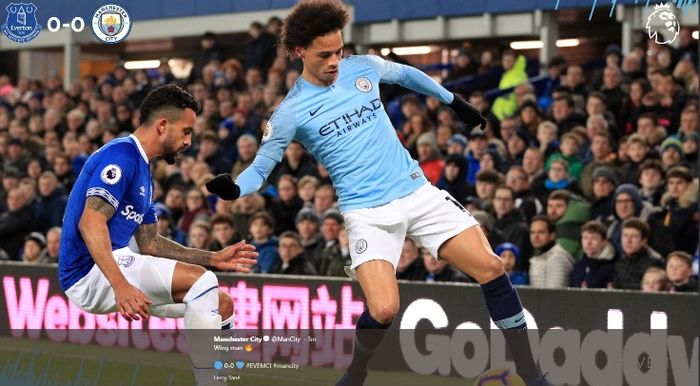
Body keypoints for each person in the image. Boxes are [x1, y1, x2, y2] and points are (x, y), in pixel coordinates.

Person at [206, 2, 547, 385]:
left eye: (338, 50)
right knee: (384, 309)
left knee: (491, 267)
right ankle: (357, 372)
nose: (336, 60)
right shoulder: (290, 112)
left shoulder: (362, 67)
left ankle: (532, 374)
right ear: (300, 51)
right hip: (366, 214)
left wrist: (454, 102)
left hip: (417, 193)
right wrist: (236, 188)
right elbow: (262, 168)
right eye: (325, 55)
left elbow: (407, 75)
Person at [58, 85, 258, 386]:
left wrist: (213, 257)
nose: (189, 141)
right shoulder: (121, 156)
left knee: (220, 303)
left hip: (111, 266)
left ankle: (225, 376)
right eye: (186, 131)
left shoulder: (143, 172)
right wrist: (121, 285)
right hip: (90, 272)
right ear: (162, 126)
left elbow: (151, 243)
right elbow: (91, 223)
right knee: (202, 281)